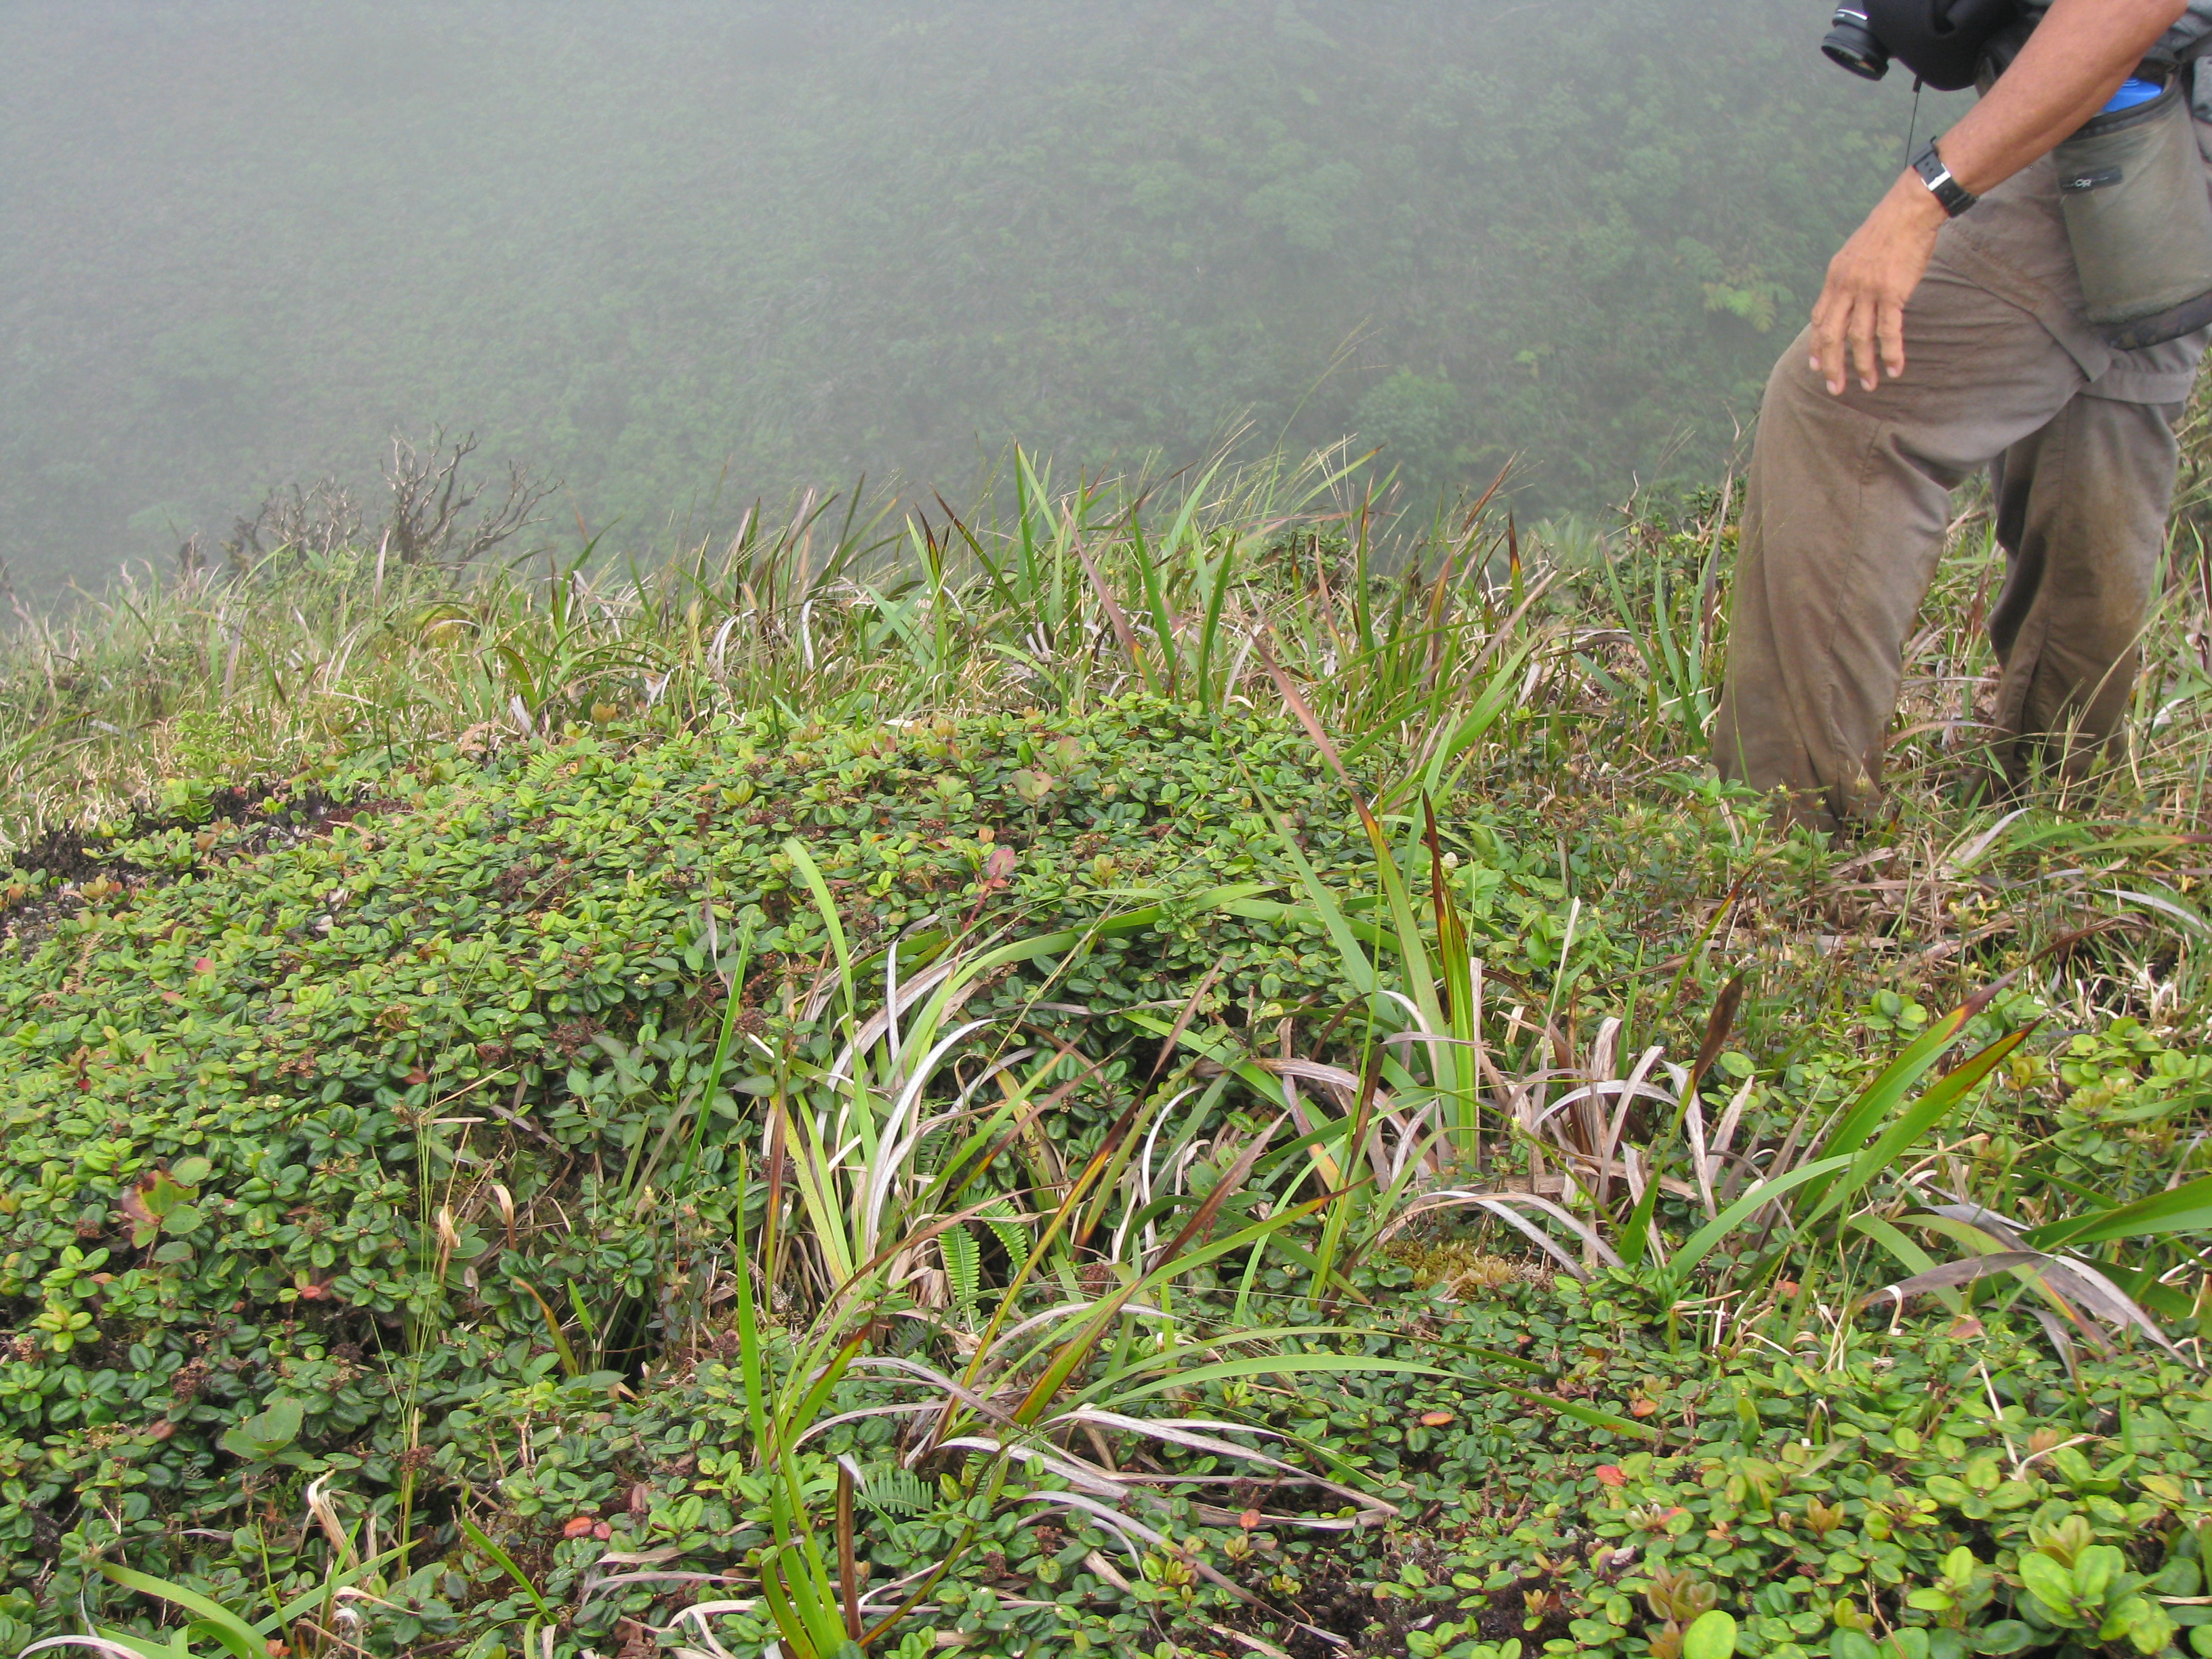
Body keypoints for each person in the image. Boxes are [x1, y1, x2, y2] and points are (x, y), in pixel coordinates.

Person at [1713, 0, 2212, 832]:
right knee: (2097, 435)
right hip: (2170, 137)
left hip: (2124, 114)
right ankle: (2055, 814)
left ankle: (1789, 832)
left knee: (1841, 402)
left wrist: (1924, 199)